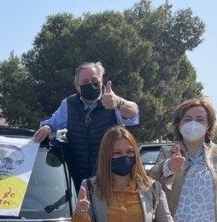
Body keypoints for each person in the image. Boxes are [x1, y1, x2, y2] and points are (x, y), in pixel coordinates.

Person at [33, 61, 140, 189]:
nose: (90, 84)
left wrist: (119, 103)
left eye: (94, 80)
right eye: (84, 82)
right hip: (75, 180)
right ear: (77, 86)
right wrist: (48, 127)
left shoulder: (112, 101)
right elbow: (53, 122)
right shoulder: (68, 104)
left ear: (102, 81)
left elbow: (133, 115)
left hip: (108, 180)